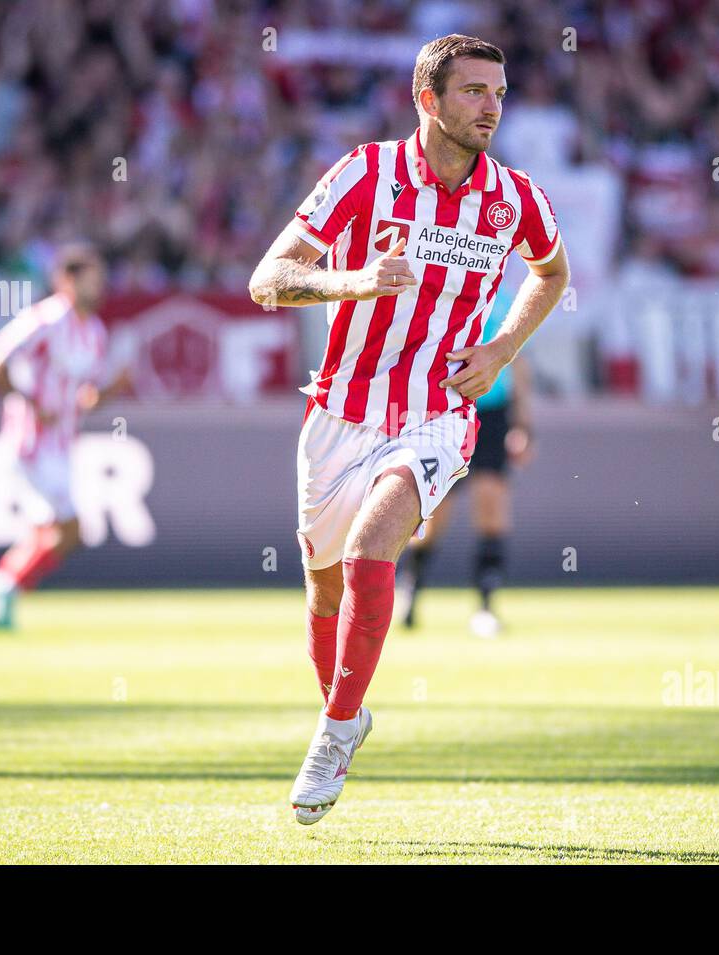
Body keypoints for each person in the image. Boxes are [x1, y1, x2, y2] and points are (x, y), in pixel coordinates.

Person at [248, 34, 569, 824]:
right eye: (473, 92)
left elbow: (553, 272)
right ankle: (348, 713)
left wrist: (500, 349)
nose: (491, 107)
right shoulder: (365, 174)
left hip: (437, 412)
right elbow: (267, 279)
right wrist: (351, 281)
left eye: (498, 93)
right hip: (340, 411)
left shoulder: (515, 197)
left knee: (369, 547)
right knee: (325, 587)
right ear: (429, 100)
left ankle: (330, 732)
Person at [0, 243, 129, 634]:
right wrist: (29, 402)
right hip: (30, 442)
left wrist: (113, 390)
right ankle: (5, 586)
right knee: (69, 528)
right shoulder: (44, 320)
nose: (99, 289)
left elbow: (82, 400)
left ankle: (3, 593)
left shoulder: (93, 331)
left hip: (61, 445)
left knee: (50, 531)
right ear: (67, 281)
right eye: (91, 280)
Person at [395, 284, 534, 638]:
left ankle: (486, 606)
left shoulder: (504, 303)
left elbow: (517, 364)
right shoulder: (439, 292)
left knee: (491, 504)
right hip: (445, 412)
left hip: (491, 414)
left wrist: (523, 425)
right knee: (433, 513)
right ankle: (411, 590)